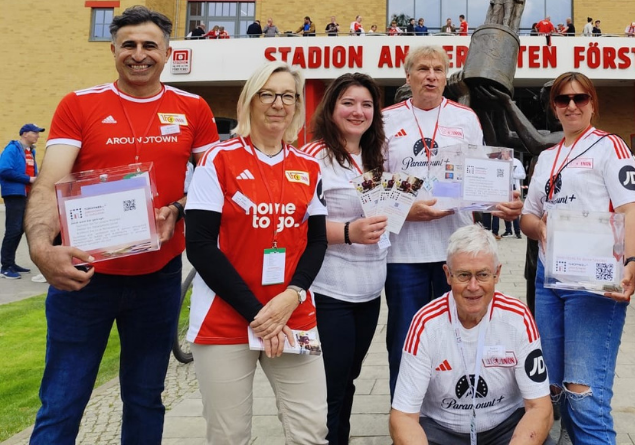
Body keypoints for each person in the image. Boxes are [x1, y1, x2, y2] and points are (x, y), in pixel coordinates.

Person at [24, 5, 219, 444]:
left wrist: (179, 207)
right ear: (113, 50)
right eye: (128, 44)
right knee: (62, 402)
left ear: (168, 53)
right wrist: (40, 247)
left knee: (146, 398)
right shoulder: (79, 103)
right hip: (83, 278)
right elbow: (49, 182)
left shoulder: (193, 108)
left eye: (150, 45)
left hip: (158, 278)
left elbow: (214, 185)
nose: (139, 54)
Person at [185, 62, 328, 445]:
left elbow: (317, 242)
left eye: (288, 96)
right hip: (225, 318)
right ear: (249, 100)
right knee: (229, 436)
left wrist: (292, 295)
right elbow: (199, 246)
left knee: (311, 432)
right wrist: (259, 316)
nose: (278, 104)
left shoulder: (309, 166)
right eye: (268, 94)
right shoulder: (217, 159)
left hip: (293, 314)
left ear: (297, 106)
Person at [382, 46, 523, 396]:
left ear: (447, 77)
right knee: (405, 339)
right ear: (408, 76)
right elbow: (374, 184)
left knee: (458, 334)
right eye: (423, 69)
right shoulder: (386, 120)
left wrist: (501, 200)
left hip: (456, 251)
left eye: (438, 70)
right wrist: (407, 209)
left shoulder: (465, 118)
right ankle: (405, 412)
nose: (431, 76)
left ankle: (450, 408)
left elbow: (480, 176)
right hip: (405, 254)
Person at [521, 71, 635, 445]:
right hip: (550, 280)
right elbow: (528, 217)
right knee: (553, 389)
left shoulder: (610, 146)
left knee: (584, 394)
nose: (571, 105)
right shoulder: (547, 157)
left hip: (594, 280)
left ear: (592, 103)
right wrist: (541, 228)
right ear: (554, 107)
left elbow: (631, 209)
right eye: (563, 99)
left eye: (580, 98)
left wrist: (632, 263)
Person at [390, 225, 552, 445]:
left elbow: (539, 407)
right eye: (464, 275)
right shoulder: (425, 323)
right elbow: (403, 417)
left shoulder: (518, 318)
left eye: (483, 275)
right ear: (448, 275)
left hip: (505, 428)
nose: (473, 286)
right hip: (441, 429)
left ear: (497, 274)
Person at [302, 73, 389, 445]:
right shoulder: (313, 157)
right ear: (331, 108)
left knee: (348, 379)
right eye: (349, 103)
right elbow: (297, 223)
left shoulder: (374, 157)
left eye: (367, 104)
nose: (358, 111)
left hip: (369, 293)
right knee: (329, 387)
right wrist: (349, 232)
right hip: (328, 291)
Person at [0, 123, 42, 279]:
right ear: (24, 134)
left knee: (19, 229)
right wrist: (28, 179)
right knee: (13, 229)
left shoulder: (31, 151)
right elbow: (4, 170)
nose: (38, 135)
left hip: (26, 194)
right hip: (14, 194)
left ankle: (11, 263)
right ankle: (5, 267)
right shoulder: (12, 149)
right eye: (34, 132)